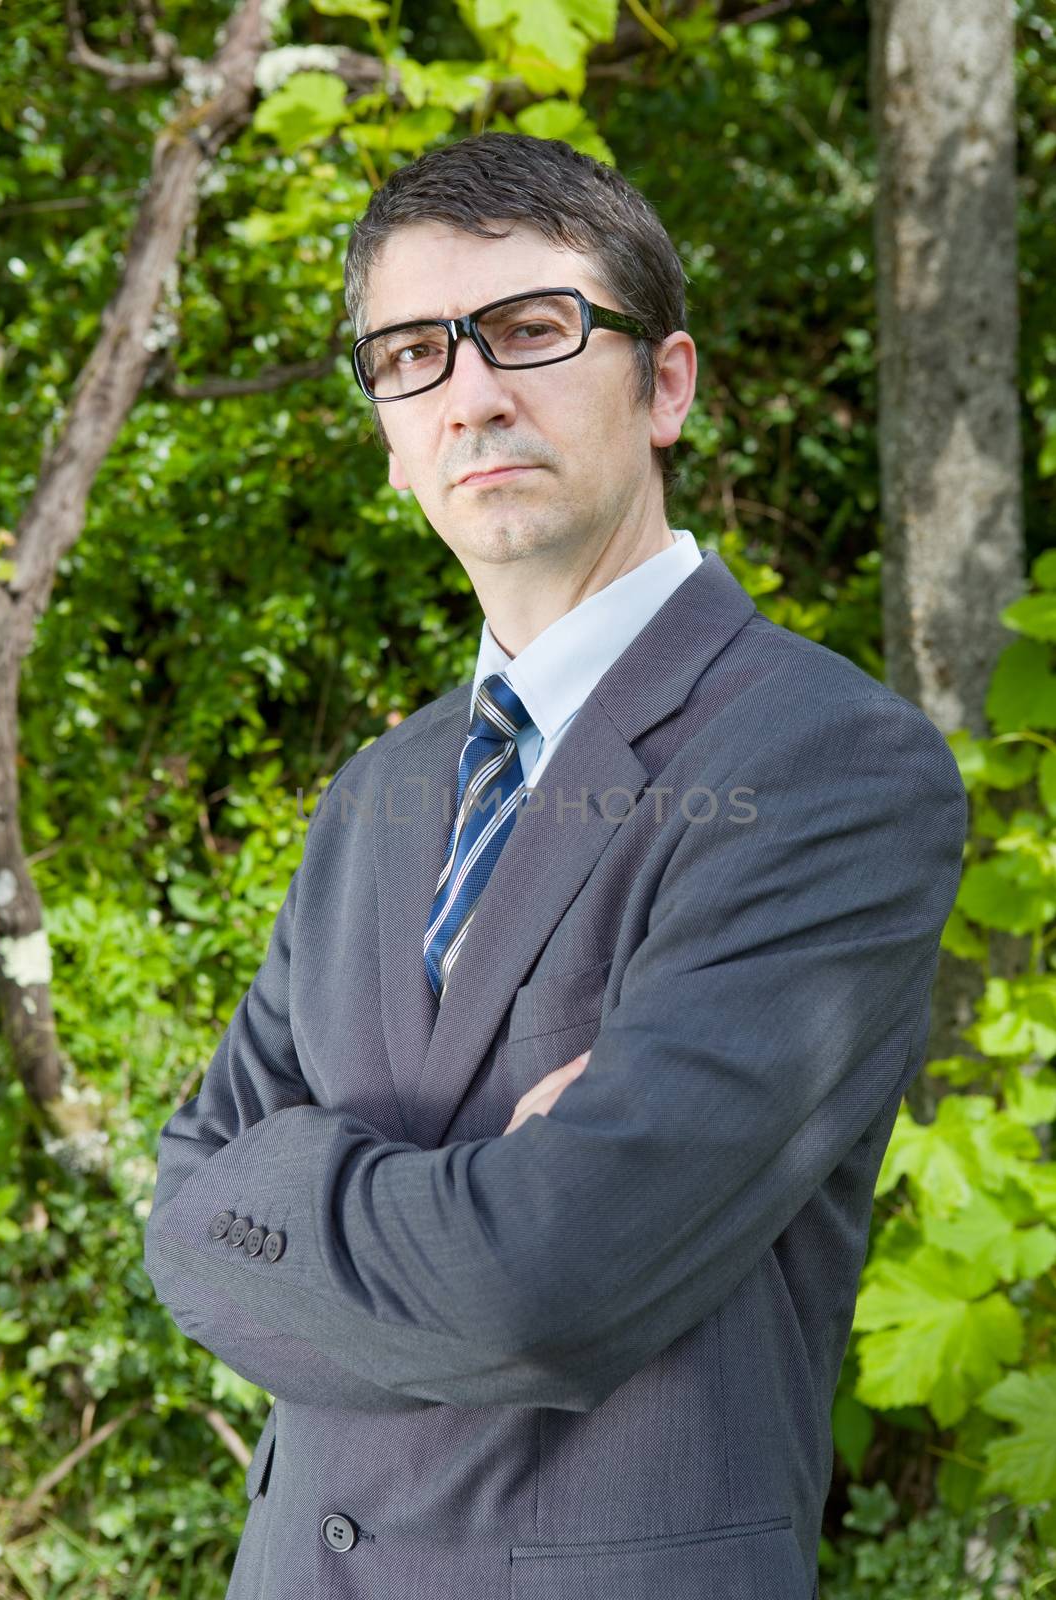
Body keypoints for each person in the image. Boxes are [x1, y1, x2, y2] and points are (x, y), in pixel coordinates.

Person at [143, 131, 968, 1600]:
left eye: (531, 330)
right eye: (412, 355)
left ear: (666, 385)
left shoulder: (827, 763)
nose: (472, 394)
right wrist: (469, 1187)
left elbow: (542, 1285)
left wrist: (314, 1199)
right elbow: (190, 1223)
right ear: (391, 435)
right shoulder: (377, 794)